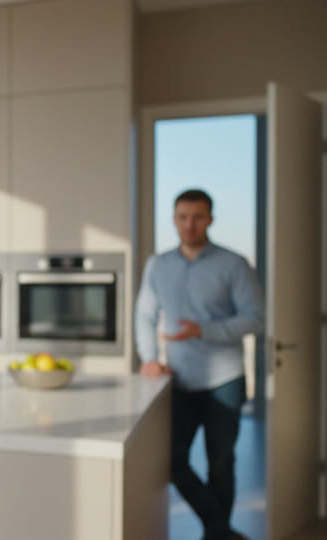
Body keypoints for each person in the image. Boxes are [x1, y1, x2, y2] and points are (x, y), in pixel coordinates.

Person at [135, 189, 264, 540]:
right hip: (178, 382)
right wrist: (149, 358)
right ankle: (220, 530)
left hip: (225, 379)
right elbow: (144, 315)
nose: (189, 225)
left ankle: (215, 536)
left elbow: (255, 320)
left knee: (221, 464)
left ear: (210, 219)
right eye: (182, 217)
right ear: (174, 219)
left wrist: (204, 330)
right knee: (172, 461)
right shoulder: (157, 265)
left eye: (197, 217)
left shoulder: (233, 264)